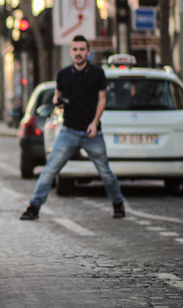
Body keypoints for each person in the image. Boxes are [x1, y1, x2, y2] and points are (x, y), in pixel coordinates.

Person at [20, 35, 125, 220]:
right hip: (68, 131)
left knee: (105, 172)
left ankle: (118, 203)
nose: (78, 53)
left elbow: (102, 100)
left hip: (92, 132)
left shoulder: (97, 73)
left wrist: (94, 123)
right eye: (75, 49)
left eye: (82, 49)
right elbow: (56, 98)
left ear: (88, 52)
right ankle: (33, 206)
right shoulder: (63, 74)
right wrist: (58, 102)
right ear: (70, 52)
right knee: (50, 169)